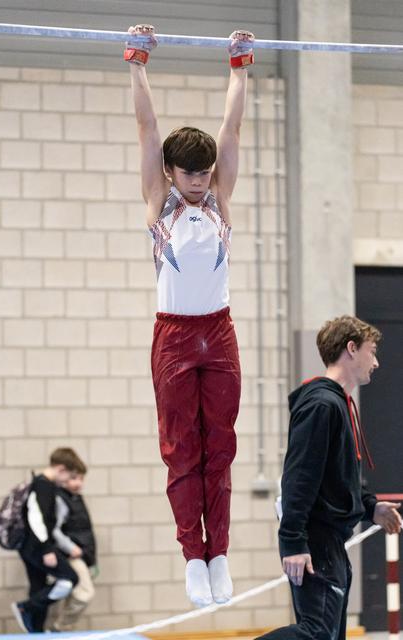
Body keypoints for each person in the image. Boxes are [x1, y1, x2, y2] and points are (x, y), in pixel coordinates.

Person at [125, 24, 254, 607]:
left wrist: (239, 68)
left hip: (218, 331)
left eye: (205, 173)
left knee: (219, 446)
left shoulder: (221, 197)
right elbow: (147, 129)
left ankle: (219, 551)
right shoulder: (160, 202)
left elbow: (231, 130)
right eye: (191, 174)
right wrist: (137, 62)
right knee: (183, 448)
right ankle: (191, 556)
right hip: (175, 336)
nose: (201, 182)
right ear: (172, 174)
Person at [256, 315, 402, 640]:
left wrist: (371, 507)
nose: (376, 362)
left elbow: (340, 477)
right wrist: (292, 541)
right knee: (316, 634)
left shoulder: (339, 405)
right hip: (316, 540)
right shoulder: (323, 405)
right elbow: (299, 475)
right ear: (351, 348)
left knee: (330, 635)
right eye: (372, 351)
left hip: (332, 542)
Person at [11, 448, 86, 633]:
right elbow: (37, 520)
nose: (68, 481)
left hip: (29, 546)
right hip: (36, 546)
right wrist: (46, 549)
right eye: (69, 475)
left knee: (38, 587)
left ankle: (35, 631)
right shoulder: (43, 485)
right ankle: (25, 607)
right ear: (61, 469)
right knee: (70, 578)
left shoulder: (42, 483)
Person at [48, 467, 97, 631]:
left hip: (83, 554)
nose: (79, 483)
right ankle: (59, 628)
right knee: (84, 594)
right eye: (74, 478)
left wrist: (92, 560)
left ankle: (64, 631)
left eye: (81, 479)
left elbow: (85, 531)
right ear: (64, 478)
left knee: (74, 596)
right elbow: (53, 529)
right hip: (71, 555)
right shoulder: (60, 499)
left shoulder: (77, 498)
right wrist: (70, 548)